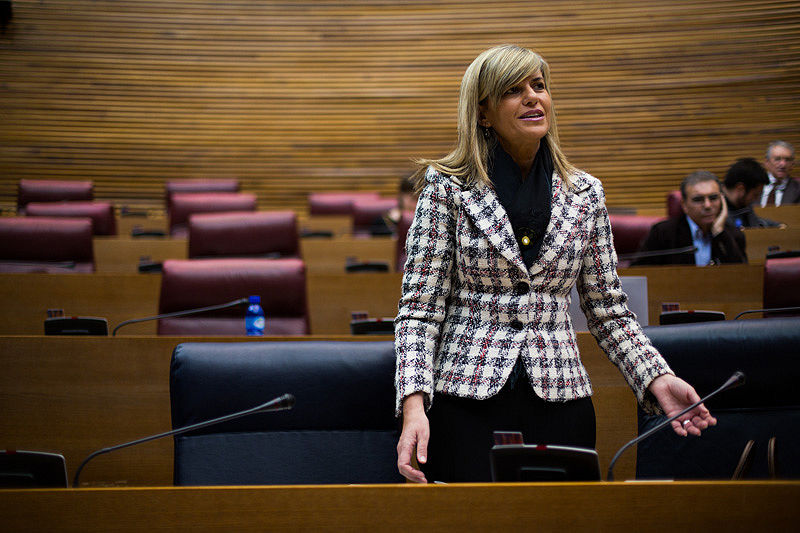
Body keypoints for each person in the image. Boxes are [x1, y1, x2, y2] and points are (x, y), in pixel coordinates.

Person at [394, 44, 716, 483]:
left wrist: (657, 378)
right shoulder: (447, 188)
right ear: (484, 113)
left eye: (539, 86)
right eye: (513, 89)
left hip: (560, 398)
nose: (532, 97)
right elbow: (419, 310)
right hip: (466, 398)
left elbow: (608, 309)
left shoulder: (585, 193)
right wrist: (414, 406)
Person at [632, 171, 746, 266]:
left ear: (722, 201)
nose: (707, 205)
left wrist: (720, 234)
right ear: (684, 205)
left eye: (713, 198)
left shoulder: (734, 235)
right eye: (698, 199)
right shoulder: (663, 233)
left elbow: (744, 279)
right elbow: (639, 274)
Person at [723, 158, 779, 228]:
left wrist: (778, 226)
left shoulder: (743, 205)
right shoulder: (714, 209)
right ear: (740, 188)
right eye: (755, 195)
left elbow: (755, 222)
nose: (755, 199)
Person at [760, 140, 800, 206]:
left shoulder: (798, 189)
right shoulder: (754, 186)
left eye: (787, 160)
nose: (783, 164)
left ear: (792, 165)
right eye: (777, 159)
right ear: (767, 163)